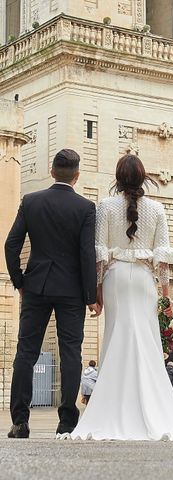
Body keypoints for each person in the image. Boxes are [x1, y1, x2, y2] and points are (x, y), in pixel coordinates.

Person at [70, 154, 173, 441]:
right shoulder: (157, 209)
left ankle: (113, 404)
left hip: (116, 278)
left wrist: (97, 289)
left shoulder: (106, 207)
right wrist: (167, 296)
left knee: (116, 336)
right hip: (145, 280)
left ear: (118, 178)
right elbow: (163, 258)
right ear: (144, 177)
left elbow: (100, 253)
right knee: (146, 340)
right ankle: (152, 404)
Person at [4, 149, 100, 439]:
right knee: (71, 353)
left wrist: (19, 280)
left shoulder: (31, 202)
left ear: (52, 170)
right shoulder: (85, 208)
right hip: (71, 290)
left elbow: (11, 244)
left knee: (26, 353)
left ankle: (20, 421)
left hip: (36, 287)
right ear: (77, 175)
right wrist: (90, 295)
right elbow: (87, 253)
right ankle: (67, 422)